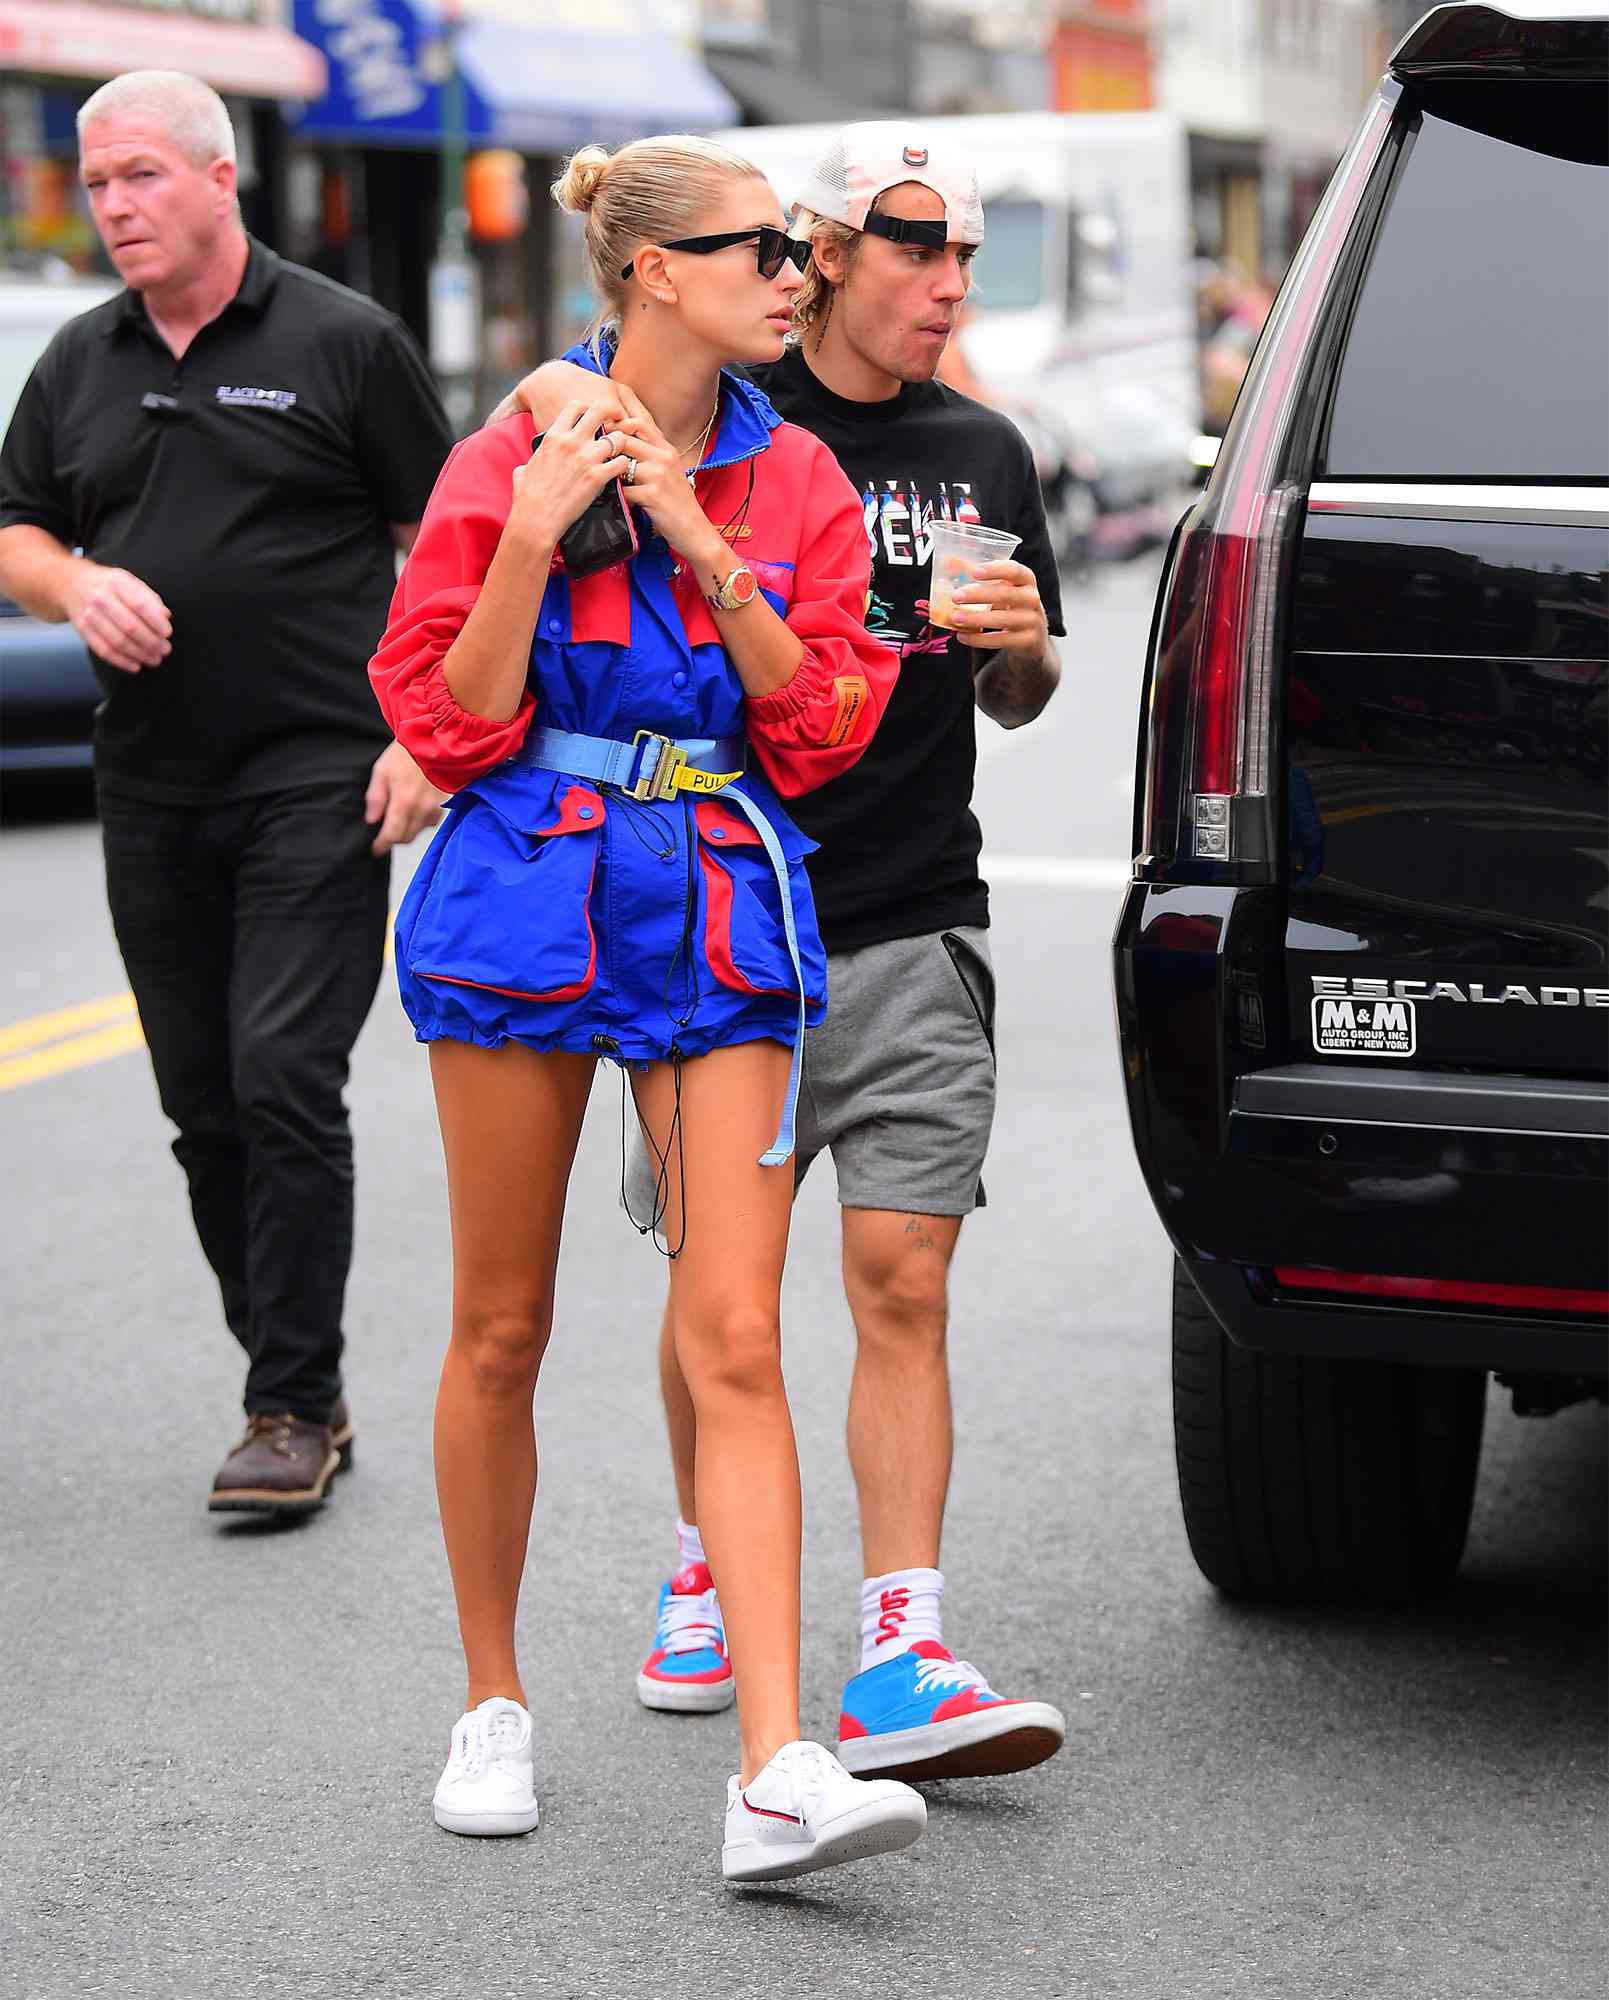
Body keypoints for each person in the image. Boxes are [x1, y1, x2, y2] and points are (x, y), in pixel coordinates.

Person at [369, 135, 923, 1883]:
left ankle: (777, 1764)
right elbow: (446, 728)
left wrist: (690, 533)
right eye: (759, 249)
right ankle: (491, 1700)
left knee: (737, 1336)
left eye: (798, 249)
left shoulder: (801, 478)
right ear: (651, 273)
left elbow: (827, 728)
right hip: (527, 880)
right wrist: (533, 534)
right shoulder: (503, 454)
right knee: (502, 1327)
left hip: (713, 895)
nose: (795, 273)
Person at [510, 124, 1069, 1785]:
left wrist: (1026, 647)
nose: (944, 285)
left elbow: (1019, 696)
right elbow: (568, 396)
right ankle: (705, 1558)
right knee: (721, 1298)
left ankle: (902, 1635)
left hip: (911, 917)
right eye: (913, 249)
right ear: (816, 253)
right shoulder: (738, 410)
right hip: (726, 919)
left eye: (962, 255)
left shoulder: (986, 448)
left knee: (903, 1278)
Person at [0, 71, 453, 1517]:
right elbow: (13, 526)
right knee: (202, 1103)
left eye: (139, 176)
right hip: (149, 780)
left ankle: (290, 1403)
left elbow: (443, 548)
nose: (114, 205)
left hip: (320, 771)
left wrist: (429, 736)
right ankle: (284, 1367)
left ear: (216, 178)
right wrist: (73, 581)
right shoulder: (79, 358)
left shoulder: (343, 342)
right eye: (96, 183)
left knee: (280, 1074)